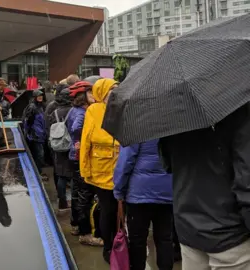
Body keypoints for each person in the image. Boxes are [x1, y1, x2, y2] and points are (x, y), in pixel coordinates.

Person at [159, 102, 250, 269]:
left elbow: (167, 163)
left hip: (188, 226)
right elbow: (246, 181)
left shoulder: (173, 113)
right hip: (231, 236)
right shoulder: (239, 108)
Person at [113, 139, 174, 270]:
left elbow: (125, 162)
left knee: (137, 240)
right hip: (166, 192)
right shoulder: (173, 125)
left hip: (139, 194)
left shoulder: (137, 128)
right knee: (165, 239)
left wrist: (119, 190)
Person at [80, 78, 119, 262]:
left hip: (121, 170)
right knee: (107, 210)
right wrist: (85, 170)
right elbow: (86, 141)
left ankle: (119, 244)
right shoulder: (93, 111)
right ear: (102, 92)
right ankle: (108, 246)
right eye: (112, 90)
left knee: (121, 211)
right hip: (101, 170)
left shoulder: (121, 109)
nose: (115, 93)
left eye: (117, 89)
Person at [66, 81, 102, 246]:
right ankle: (86, 233)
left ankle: (77, 227)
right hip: (80, 156)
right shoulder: (82, 113)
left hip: (74, 155)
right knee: (84, 196)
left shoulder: (75, 110)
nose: (93, 96)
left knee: (78, 193)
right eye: (90, 93)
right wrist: (85, 138)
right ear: (83, 96)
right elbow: (75, 128)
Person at [45, 88, 74, 210]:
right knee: (73, 176)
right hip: (71, 146)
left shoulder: (54, 112)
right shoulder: (74, 112)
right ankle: (74, 202)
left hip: (58, 147)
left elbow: (48, 128)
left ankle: (62, 203)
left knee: (61, 176)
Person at [22, 90, 47, 175]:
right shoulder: (32, 107)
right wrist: (29, 132)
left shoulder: (41, 106)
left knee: (39, 154)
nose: (40, 97)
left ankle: (38, 171)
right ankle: (38, 172)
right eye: (38, 96)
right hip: (35, 135)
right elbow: (27, 121)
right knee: (39, 154)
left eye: (41, 96)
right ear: (34, 97)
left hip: (40, 134)